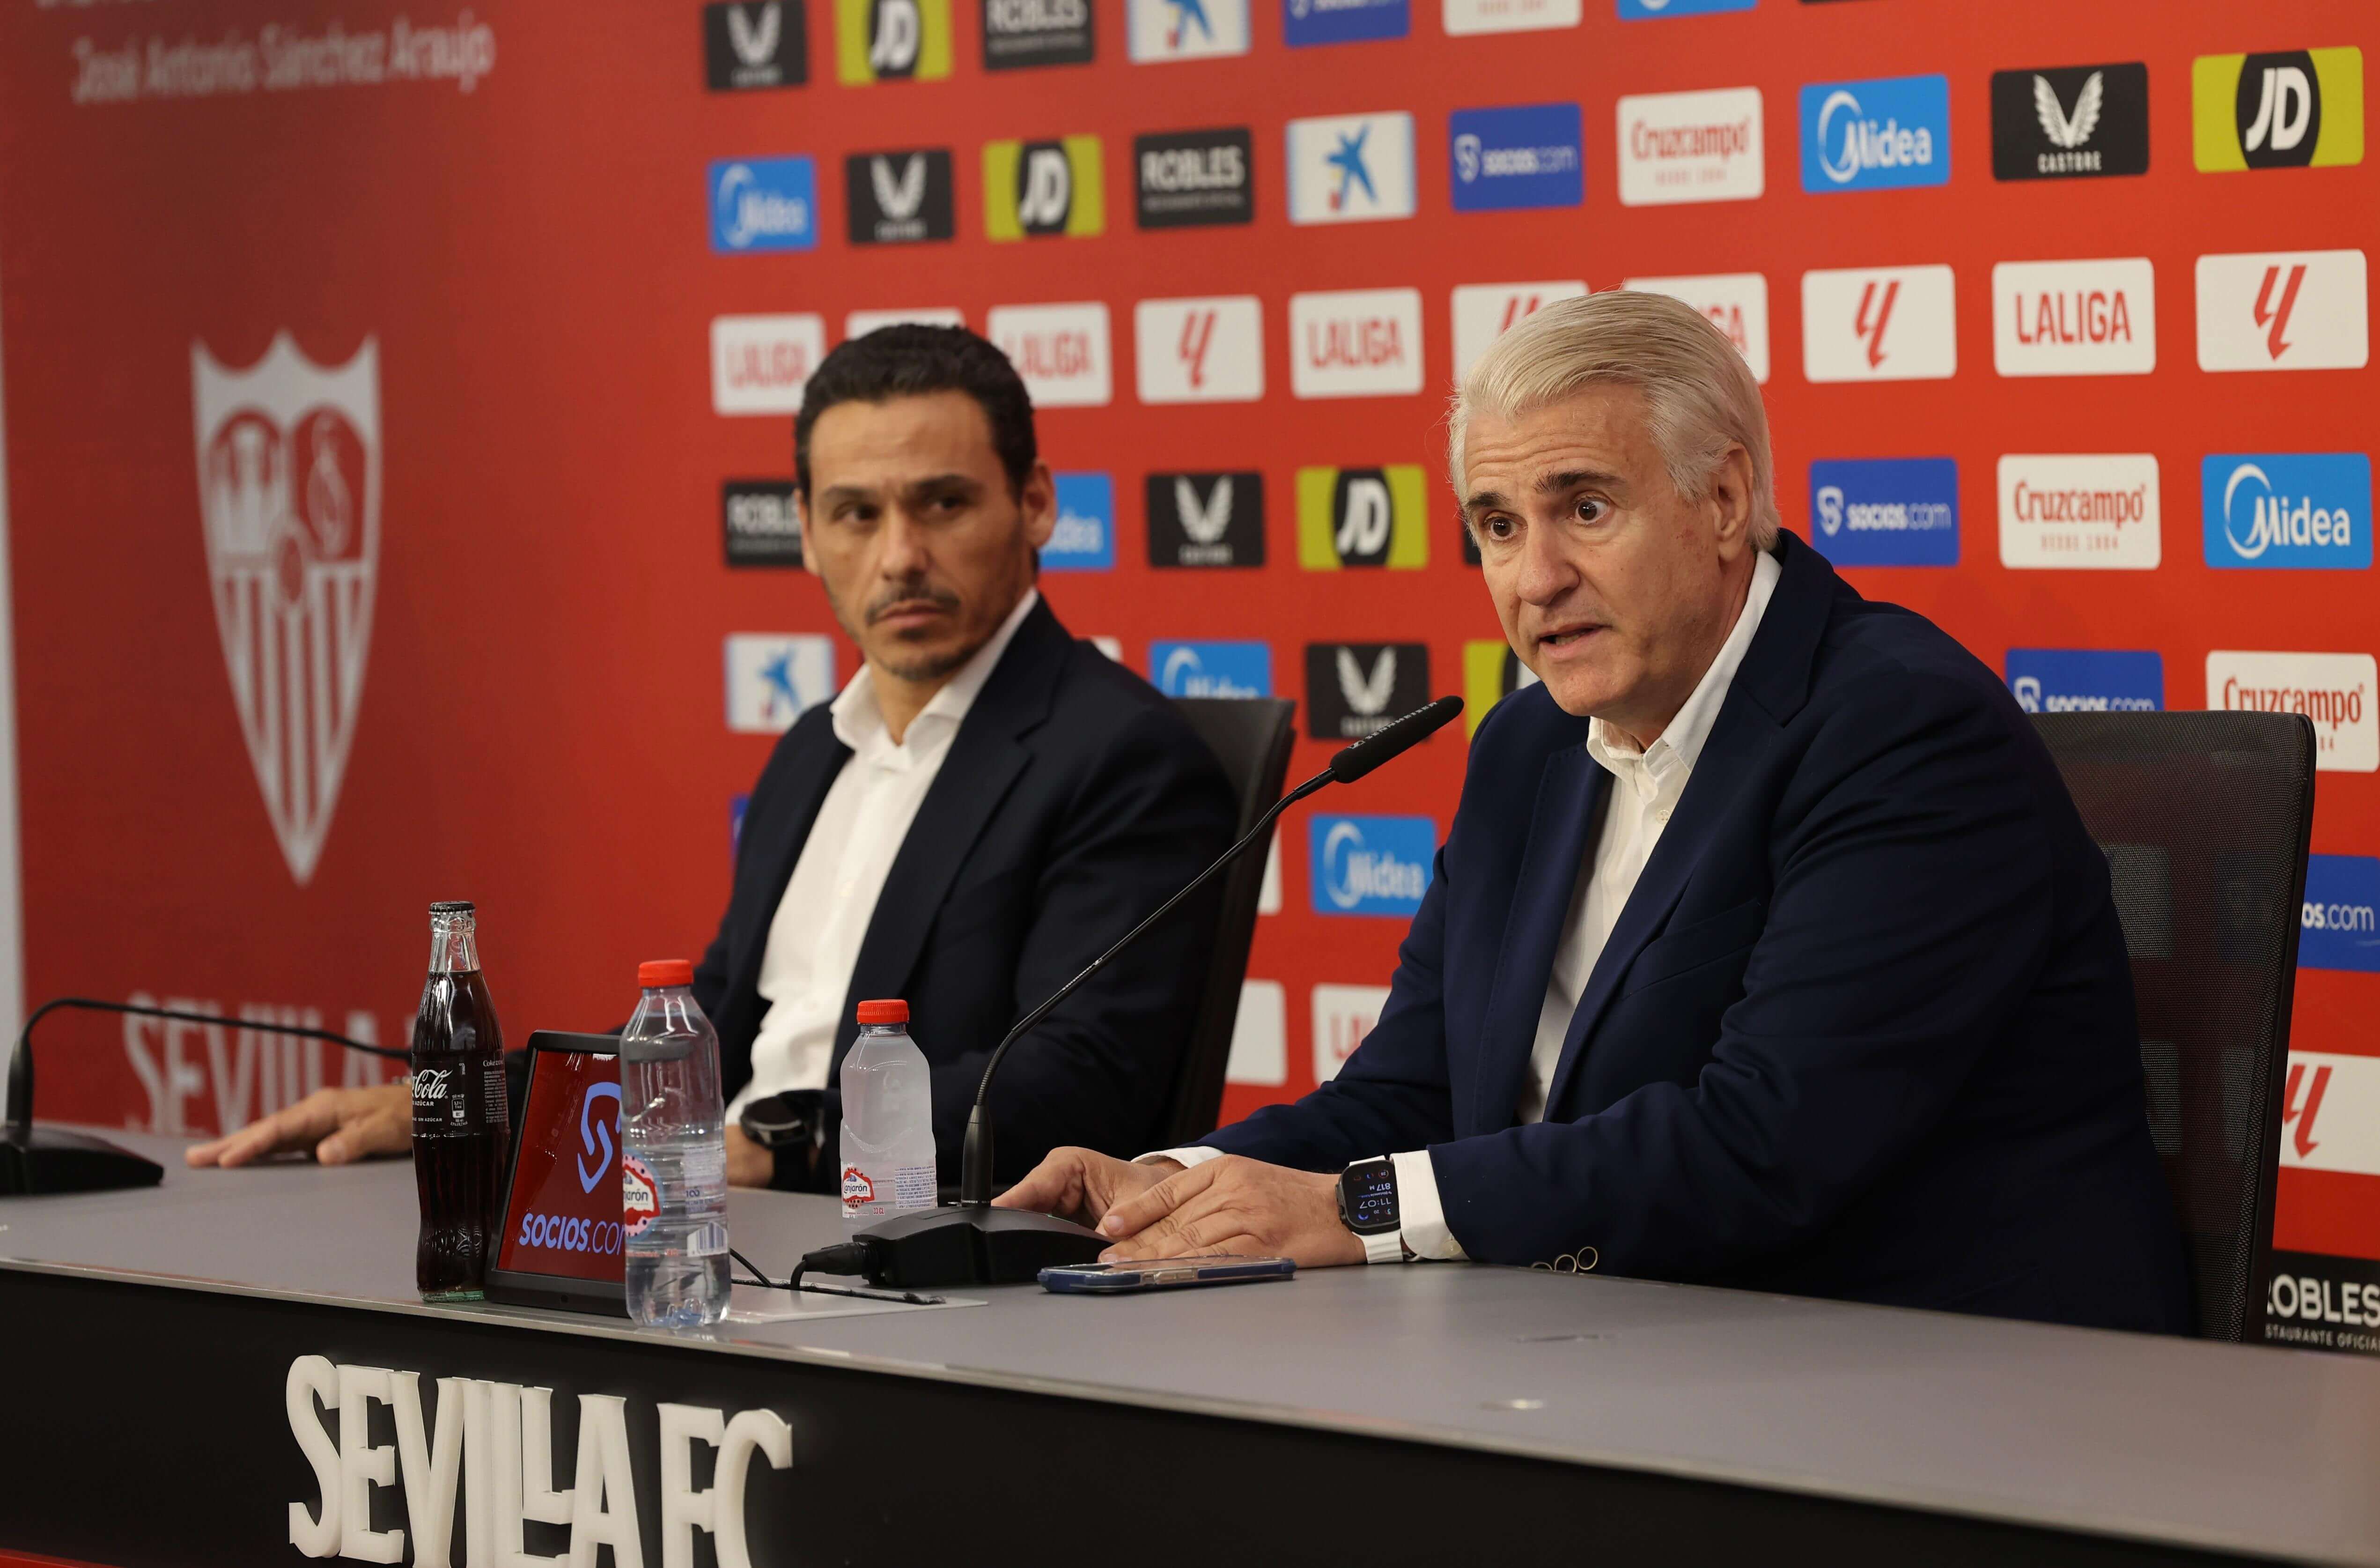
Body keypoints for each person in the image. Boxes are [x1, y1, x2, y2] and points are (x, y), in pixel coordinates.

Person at [998, 293, 2192, 1333]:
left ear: (1723, 500)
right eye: (1498, 525)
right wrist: (1178, 1181)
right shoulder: (1528, 744)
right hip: (1616, 1347)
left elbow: (1762, 1143)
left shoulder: (1901, 730)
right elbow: (1417, 1087)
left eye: (1583, 509)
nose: (1532, 579)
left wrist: (1351, 1209)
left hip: (1941, 1385)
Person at [191, 325, 1239, 1189]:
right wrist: (479, 1105)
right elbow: (712, 1028)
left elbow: (1072, 1084)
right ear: (805, 529)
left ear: (1037, 503)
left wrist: (774, 1150)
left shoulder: (1122, 759)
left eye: (944, 504)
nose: (900, 557)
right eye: (856, 514)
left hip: (905, 1268)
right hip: (711, 1235)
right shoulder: (811, 753)